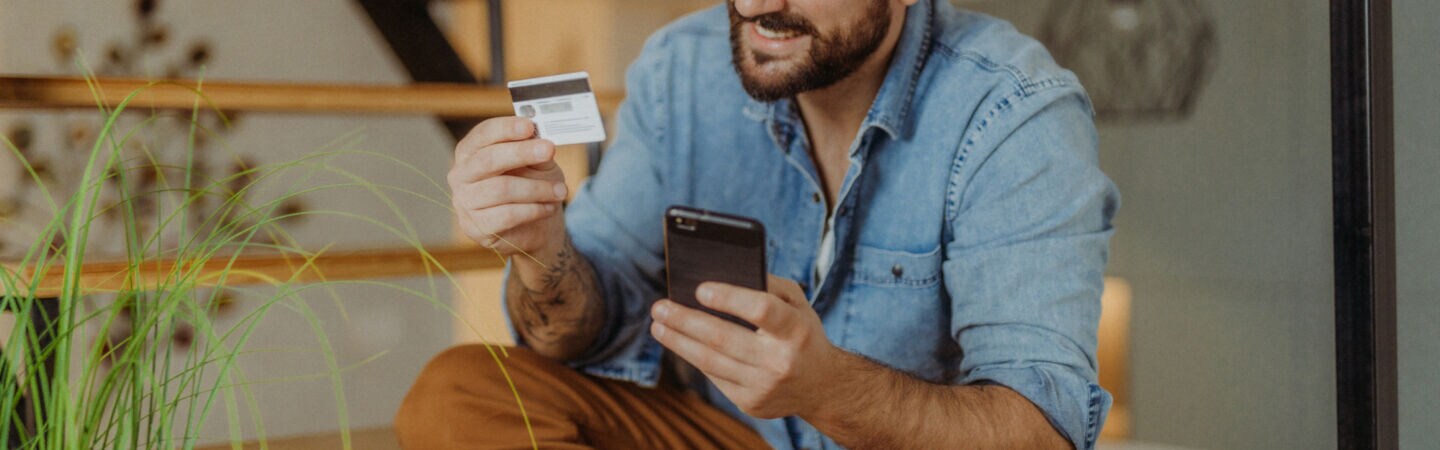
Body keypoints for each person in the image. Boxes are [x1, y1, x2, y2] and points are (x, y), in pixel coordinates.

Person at [397, 0, 1118, 448]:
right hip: (723, 435)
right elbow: (587, 326)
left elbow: (1041, 431)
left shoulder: (1015, 112)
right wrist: (541, 253)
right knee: (460, 392)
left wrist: (826, 387)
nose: (755, 5)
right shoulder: (681, 68)